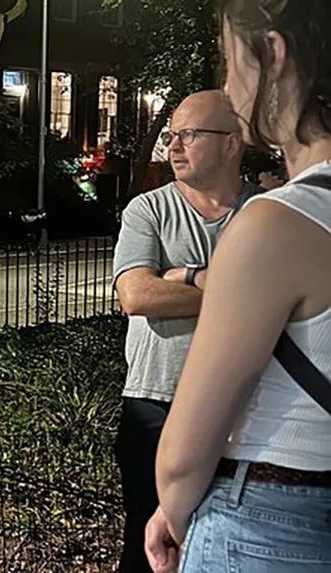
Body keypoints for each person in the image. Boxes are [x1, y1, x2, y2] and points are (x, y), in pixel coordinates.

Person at [145, 1, 331, 571]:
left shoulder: (276, 224)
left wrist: (173, 512)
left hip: (269, 522)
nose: (228, 83)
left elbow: (184, 452)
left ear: (272, 57)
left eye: (229, 61)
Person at [111, 90, 259, 573]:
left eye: (189, 135)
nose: (173, 147)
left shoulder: (267, 215)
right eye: (171, 136)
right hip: (155, 406)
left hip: (247, 413)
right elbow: (136, 296)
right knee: (149, 546)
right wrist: (222, 285)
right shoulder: (148, 211)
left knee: (228, 548)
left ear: (232, 144)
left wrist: (179, 275)